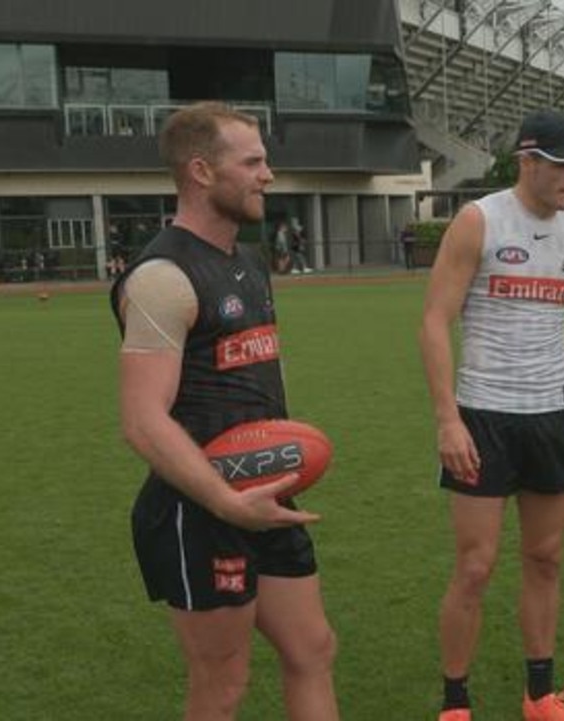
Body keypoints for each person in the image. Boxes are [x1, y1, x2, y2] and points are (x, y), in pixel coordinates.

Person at [111, 102, 339, 720]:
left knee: (313, 648)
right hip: (199, 511)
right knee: (223, 684)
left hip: (265, 492)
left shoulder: (248, 263)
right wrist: (225, 501)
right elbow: (142, 418)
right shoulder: (162, 276)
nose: (269, 173)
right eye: (254, 161)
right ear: (202, 172)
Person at [419, 109, 564, 721]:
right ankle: (455, 704)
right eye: (562, 165)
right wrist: (446, 420)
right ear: (527, 162)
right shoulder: (478, 221)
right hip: (483, 416)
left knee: (546, 557)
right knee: (476, 565)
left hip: (553, 416)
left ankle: (539, 696)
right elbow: (434, 321)